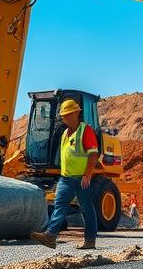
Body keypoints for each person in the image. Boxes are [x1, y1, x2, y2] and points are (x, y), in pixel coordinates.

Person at [30, 98, 100, 250]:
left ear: (76, 114)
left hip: (82, 178)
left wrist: (87, 175)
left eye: (68, 114)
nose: (65, 117)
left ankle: (90, 241)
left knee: (87, 208)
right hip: (66, 178)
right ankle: (50, 236)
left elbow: (93, 154)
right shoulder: (64, 134)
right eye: (63, 115)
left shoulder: (85, 130)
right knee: (59, 205)